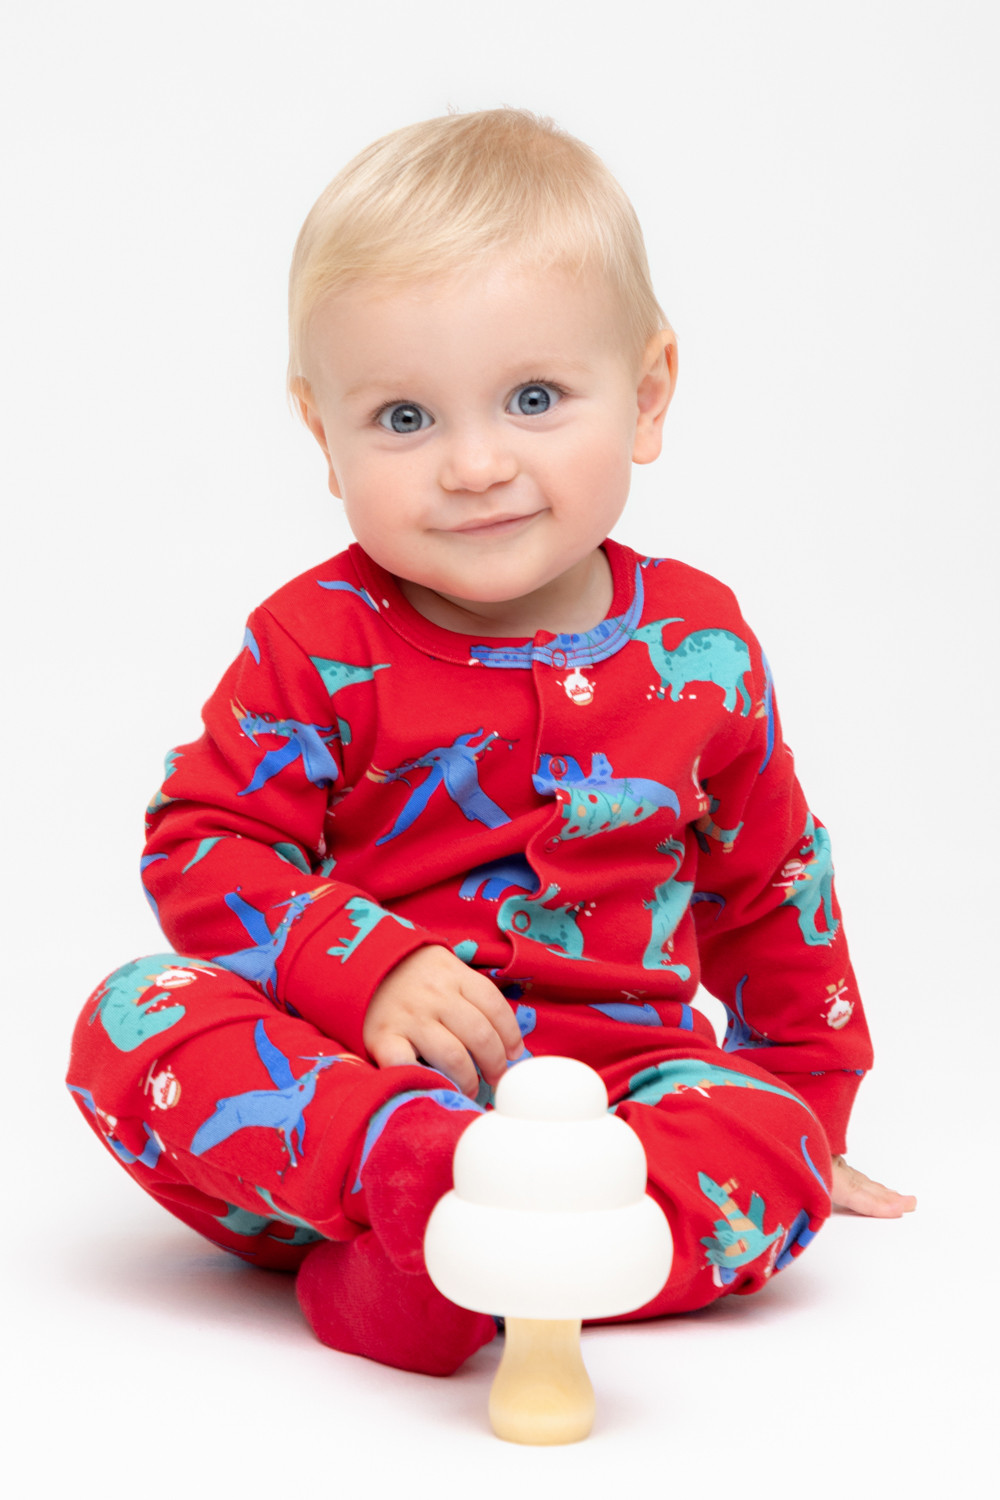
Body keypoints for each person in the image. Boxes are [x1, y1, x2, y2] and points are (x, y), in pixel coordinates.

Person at [67, 108, 915, 1377]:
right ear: (323, 434)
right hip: (360, 1081)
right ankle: (416, 1199)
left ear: (647, 395)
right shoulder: (313, 642)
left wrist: (809, 1108)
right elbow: (203, 842)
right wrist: (364, 970)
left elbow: (772, 882)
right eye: (404, 418)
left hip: (619, 1102)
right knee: (132, 1016)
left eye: (532, 400)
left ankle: (473, 1267)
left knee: (766, 1137)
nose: (473, 465)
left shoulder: (703, 642)